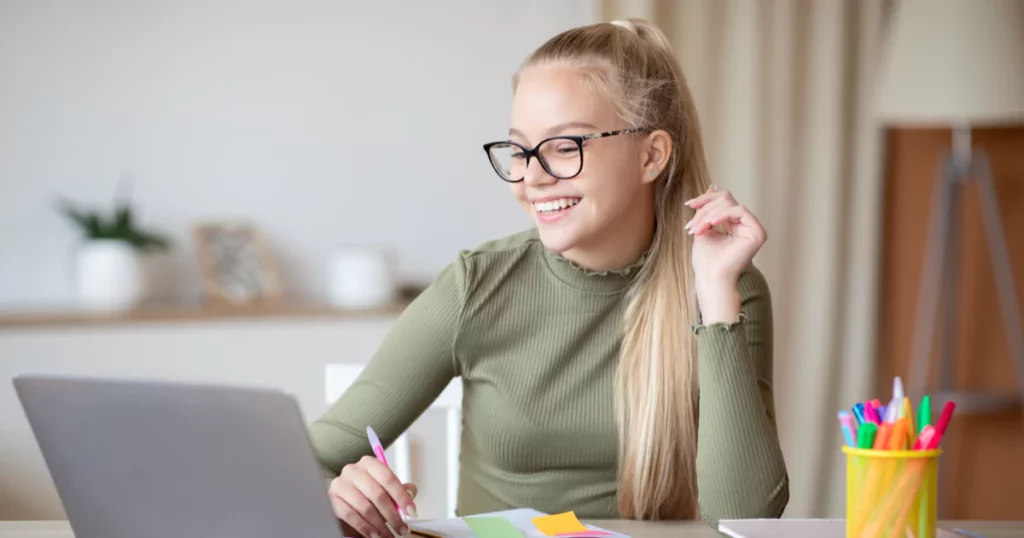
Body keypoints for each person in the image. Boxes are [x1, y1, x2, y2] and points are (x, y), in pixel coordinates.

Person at [309, 18, 789, 538]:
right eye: (519, 150)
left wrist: (718, 297)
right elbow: (309, 462)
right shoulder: (477, 285)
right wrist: (337, 490)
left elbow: (747, 518)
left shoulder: (727, 288)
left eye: (564, 147)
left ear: (651, 155)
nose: (532, 177)